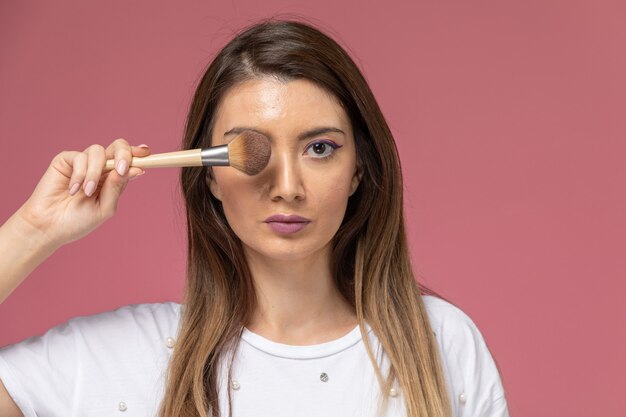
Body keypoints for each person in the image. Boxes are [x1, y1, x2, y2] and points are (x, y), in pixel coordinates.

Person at [0, 19, 509, 417]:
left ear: (359, 170)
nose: (287, 187)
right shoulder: (124, 357)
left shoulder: (441, 343)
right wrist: (32, 232)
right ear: (211, 176)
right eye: (254, 152)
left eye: (320, 148)